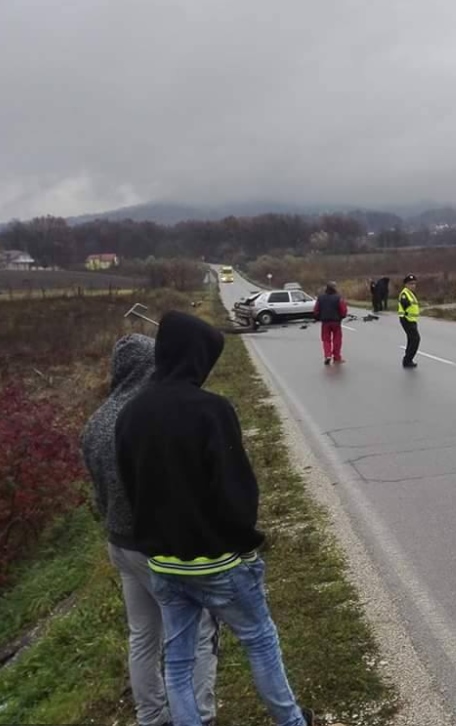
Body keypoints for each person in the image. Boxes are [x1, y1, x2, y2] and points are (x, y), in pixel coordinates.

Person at [115, 311, 314, 726]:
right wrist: (244, 543)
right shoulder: (211, 410)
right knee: (260, 640)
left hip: (163, 565)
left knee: (180, 659)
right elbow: (235, 489)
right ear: (194, 357)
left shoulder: (130, 414)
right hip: (220, 561)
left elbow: (132, 489)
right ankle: (291, 721)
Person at [81, 333, 220, 726]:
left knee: (143, 636)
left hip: (119, 543)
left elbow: (99, 496)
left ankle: (151, 716)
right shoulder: (145, 417)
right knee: (198, 627)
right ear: (149, 366)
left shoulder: (96, 421)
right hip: (155, 545)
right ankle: (198, 716)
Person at [313, 281, 348, 365]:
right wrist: (342, 316)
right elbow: (343, 309)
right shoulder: (338, 297)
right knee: (337, 340)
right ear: (334, 288)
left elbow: (316, 309)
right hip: (336, 322)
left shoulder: (321, 298)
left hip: (325, 322)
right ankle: (337, 357)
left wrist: (317, 317)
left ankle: (327, 355)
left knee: (326, 340)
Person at [398, 274, 420, 368]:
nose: (413, 285)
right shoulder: (404, 294)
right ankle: (407, 360)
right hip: (407, 320)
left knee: (411, 340)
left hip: (412, 320)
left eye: (414, 284)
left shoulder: (410, 293)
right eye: (411, 284)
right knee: (415, 339)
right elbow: (404, 305)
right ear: (406, 284)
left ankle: (408, 360)